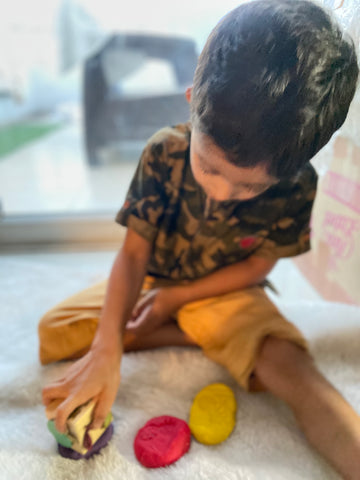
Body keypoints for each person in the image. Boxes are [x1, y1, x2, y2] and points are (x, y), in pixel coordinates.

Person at [40, 0, 359, 477]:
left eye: (252, 187)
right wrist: (108, 347)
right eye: (209, 167)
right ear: (191, 98)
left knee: (292, 368)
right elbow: (132, 256)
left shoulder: (298, 183)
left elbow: (257, 267)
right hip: (154, 281)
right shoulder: (163, 153)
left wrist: (178, 300)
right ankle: (196, 336)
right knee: (56, 330)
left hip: (229, 292)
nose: (223, 192)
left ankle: (193, 329)